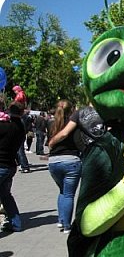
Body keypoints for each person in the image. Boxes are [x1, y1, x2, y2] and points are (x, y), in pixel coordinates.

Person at [47, 100, 82, 234]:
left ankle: (61, 220)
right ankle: (67, 226)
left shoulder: (50, 123)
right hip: (71, 160)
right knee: (69, 194)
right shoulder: (73, 125)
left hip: (53, 161)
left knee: (62, 191)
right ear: (71, 110)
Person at [0, 101, 26, 232]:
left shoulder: (5, 126)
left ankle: (15, 223)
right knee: (6, 196)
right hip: (10, 165)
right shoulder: (20, 128)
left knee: (6, 196)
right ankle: (16, 223)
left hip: (2, 165)